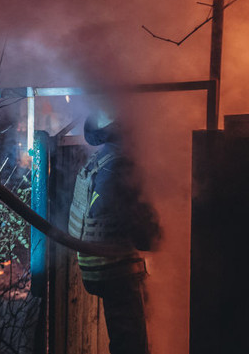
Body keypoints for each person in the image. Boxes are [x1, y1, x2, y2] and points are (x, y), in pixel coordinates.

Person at [67, 110, 161, 354]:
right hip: (117, 269)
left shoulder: (101, 161)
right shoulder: (123, 167)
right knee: (131, 345)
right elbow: (142, 233)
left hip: (96, 266)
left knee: (123, 339)